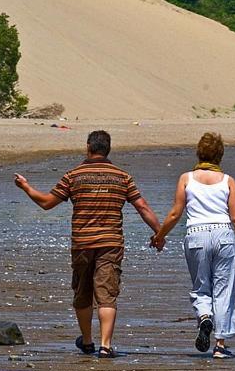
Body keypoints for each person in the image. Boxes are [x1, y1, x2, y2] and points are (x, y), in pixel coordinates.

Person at [14, 130, 162, 358]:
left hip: (82, 243)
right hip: (111, 243)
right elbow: (142, 207)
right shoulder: (122, 176)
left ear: (88, 147)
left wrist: (26, 187)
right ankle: (105, 345)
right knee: (107, 293)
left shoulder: (74, 175)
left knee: (83, 292)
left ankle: (87, 341)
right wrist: (159, 233)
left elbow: (47, 203)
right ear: (108, 149)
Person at [152, 132, 235, 359]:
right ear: (220, 155)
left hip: (196, 234)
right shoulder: (228, 181)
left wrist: (160, 235)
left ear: (199, 152)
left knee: (201, 286)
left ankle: (205, 316)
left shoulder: (186, 179)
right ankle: (219, 344)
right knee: (224, 288)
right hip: (224, 234)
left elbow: (175, 213)